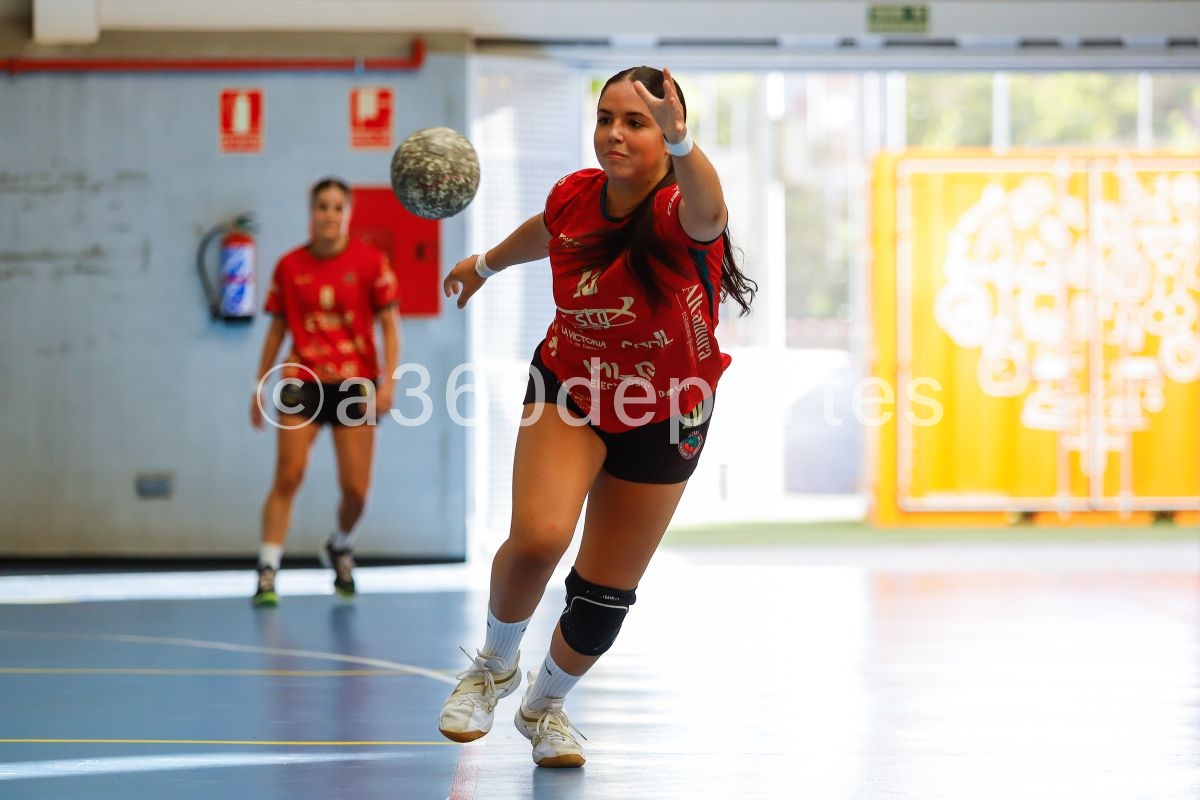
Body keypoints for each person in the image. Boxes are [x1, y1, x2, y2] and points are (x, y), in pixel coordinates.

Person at [438, 66, 756, 767]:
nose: (614, 133)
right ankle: (492, 667)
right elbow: (549, 233)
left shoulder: (680, 211)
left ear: (666, 132)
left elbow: (711, 211)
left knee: (603, 598)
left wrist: (684, 143)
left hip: (666, 411)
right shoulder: (574, 196)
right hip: (570, 388)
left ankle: (544, 708)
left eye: (635, 122)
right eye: (606, 117)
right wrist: (483, 264)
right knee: (537, 537)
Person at [248, 177, 401, 606]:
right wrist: (260, 385)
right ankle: (267, 569)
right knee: (288, 475)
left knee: (356, 491)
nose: (329, 215)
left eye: (337, 207)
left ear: (347, 214)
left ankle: (339, 544)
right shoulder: (289, 266)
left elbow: (390, 325)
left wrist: (389, 382)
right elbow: (276, 329)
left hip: (355, 386)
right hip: (302, 382)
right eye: (322, 207)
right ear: (311, 212)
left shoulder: (371, 262)